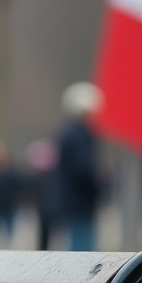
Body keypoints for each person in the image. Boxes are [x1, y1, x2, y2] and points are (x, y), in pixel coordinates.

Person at [55, 82, 105, 251]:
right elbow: (83, 169)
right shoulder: (79, 136)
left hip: (73, 199)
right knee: (82, 248)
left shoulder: (70, 132)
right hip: (80, 200)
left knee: (78, 242)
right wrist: (99, 186)